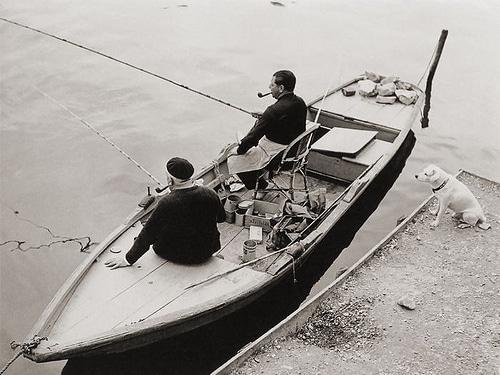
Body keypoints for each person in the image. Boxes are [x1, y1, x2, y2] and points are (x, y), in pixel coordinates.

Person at [105, 157, 226, 269]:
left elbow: (147, 236)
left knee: (153, 228)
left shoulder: (167, 202)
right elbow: (221, 218)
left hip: (178, 255)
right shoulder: (210, 193)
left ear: (170, 179)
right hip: (208, 250)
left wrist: (128, 260)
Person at [225, 70, 307, 192]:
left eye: (272, 85)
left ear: (281, 88)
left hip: (281, 157)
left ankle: (262, 187)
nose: (269, 87)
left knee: (234, 159)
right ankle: (260, 178)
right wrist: (265, 116)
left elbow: (252, 139)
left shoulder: (273, 111)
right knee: (248, 151)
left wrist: (239, 150)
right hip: (297, 152)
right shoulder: (300, 102)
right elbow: (287, 118)